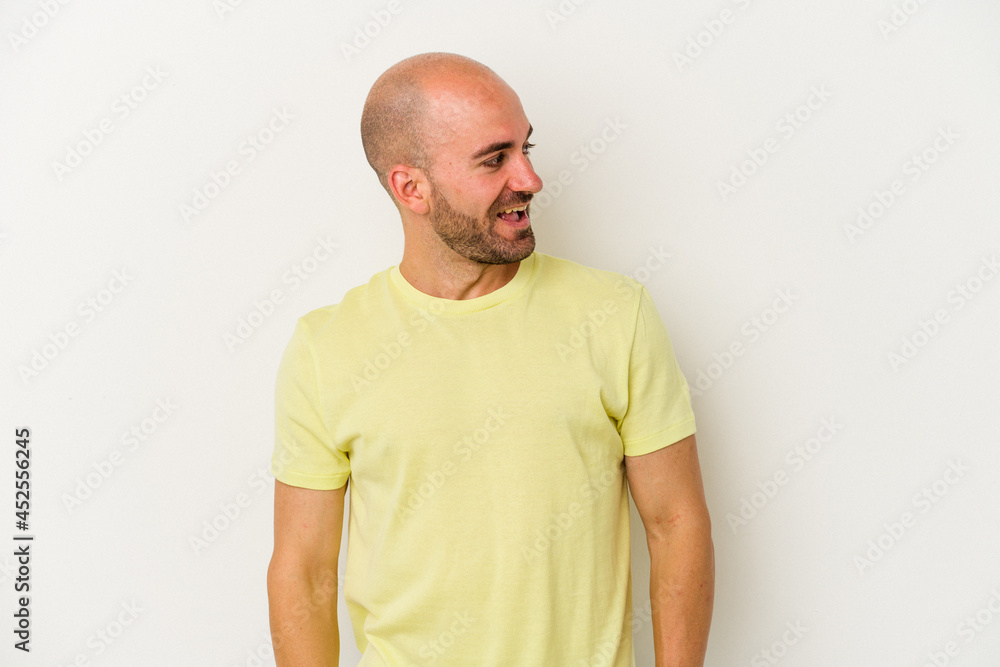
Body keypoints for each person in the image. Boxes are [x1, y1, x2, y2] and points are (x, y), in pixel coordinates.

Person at [266, 52, 714, 666]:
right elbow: (303, 571)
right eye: (494, 159)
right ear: (411, 187)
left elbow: (676, 524)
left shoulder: (616, 315)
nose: (530, 178)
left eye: (526, 148)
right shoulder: (327, 347)